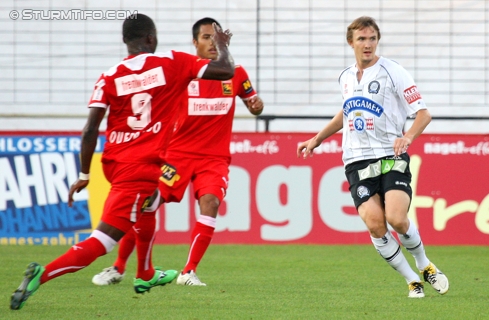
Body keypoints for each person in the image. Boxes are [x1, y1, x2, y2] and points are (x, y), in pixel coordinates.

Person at [10, 13, 235, 310]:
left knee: (149, 204)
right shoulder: (173, 62)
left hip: (117, 165)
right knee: (103, 241)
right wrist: (222, 44)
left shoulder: (109, 76)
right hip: (141, 168)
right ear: (152, 39)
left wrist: (84, 174)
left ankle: (146, 272)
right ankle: (45, 274)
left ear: (124, 41)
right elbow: (224, 70)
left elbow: (90, 129)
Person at [91, 17, 264, 287]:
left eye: (215, 37)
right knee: (144, 204)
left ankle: (188, 272)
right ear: (194, 43)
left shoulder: (236, 72)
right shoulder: (183, 71)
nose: (212, 42)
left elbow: (252, 101)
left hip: (214, 158)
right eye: (206, 37)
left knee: (211, 203)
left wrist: (255, 105)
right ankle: (118, 266)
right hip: (176, 155)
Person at [296, 16, 449, 298]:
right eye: (362, 39)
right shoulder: (345, 77)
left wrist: (408, 137)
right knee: (376, 224)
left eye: (372, 39)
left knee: (397, 218)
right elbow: (346, 112)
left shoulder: (394, 72)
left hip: (390, 155)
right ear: (351, 43)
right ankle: (411, 280)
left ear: (377, 41)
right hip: (356, 160)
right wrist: (317, 139)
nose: (368, 45)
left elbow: (424, 114)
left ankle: (424, 264)